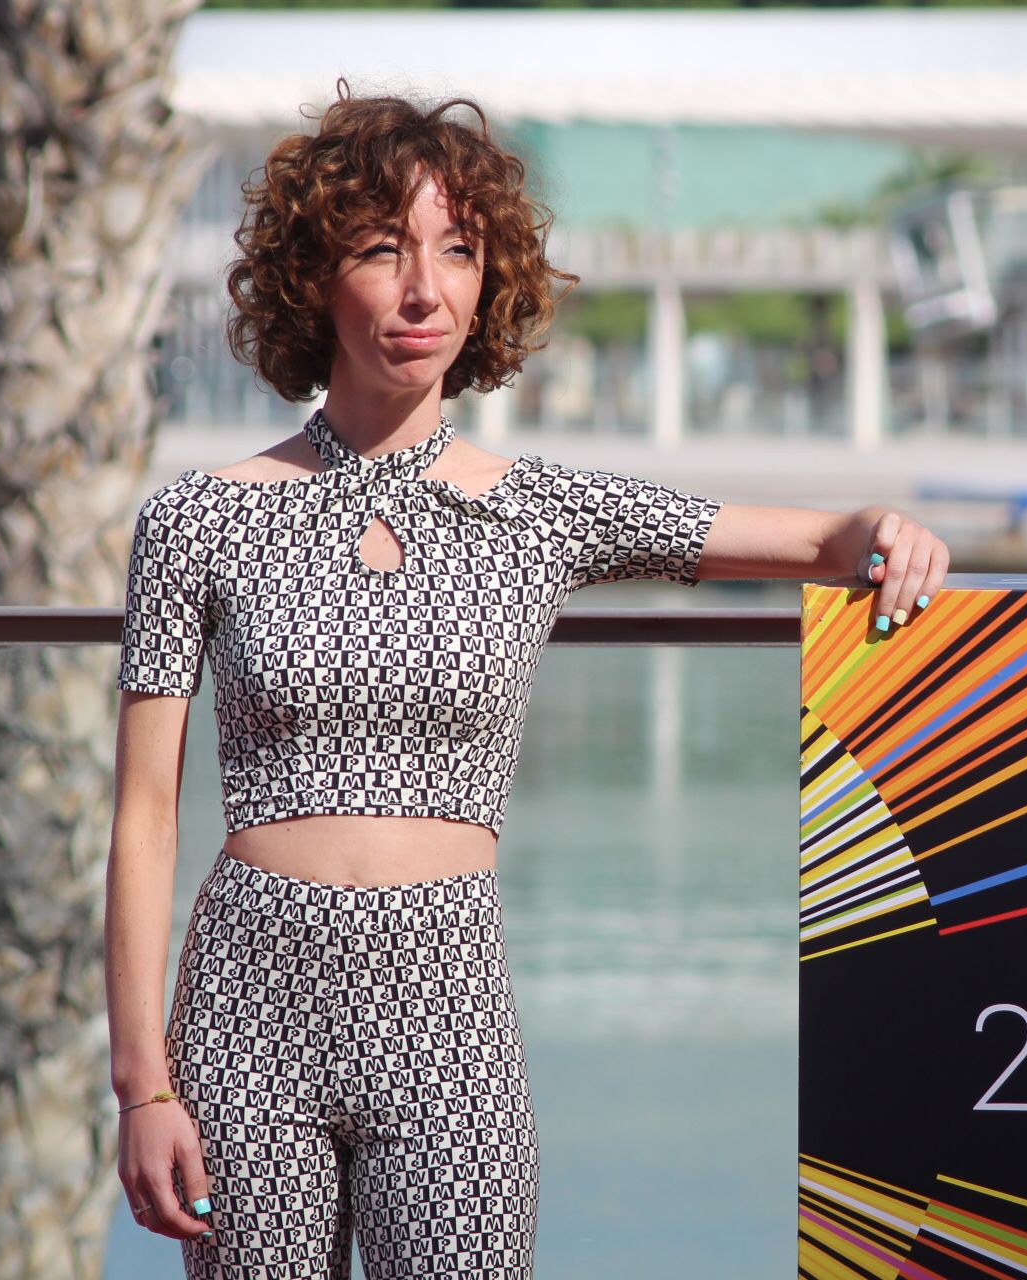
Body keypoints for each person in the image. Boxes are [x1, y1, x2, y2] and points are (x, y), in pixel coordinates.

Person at [106, 86, 948, 1277]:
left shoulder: (541, 513)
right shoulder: (198, 518)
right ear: (311, 274)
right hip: (248, 999)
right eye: (381, 248)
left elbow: (817, 542)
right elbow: (144, 815)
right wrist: (142, 1083)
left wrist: (880, 527)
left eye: (457, 250)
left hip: (451, 1004)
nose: (423, 290)